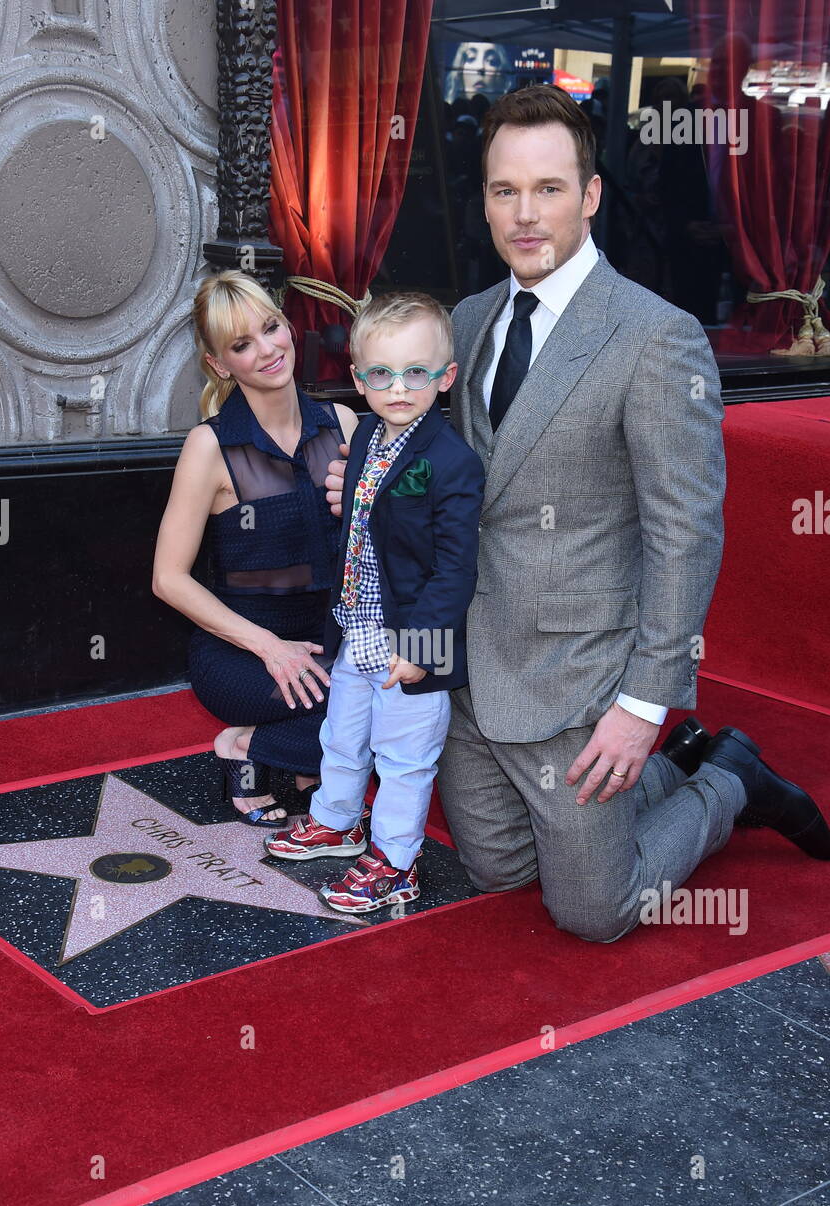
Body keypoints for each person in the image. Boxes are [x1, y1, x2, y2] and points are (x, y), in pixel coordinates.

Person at [326, 84, 830, 941]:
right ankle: (669, 776)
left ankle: (728, 779)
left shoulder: (655, 336)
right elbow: (438, 473)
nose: (524, 214)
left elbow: (684, 531)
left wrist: (643, 705)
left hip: (576, 675)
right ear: (485, 201)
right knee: (496, 870)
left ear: (590, 195)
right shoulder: (465, 323)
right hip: (466, 663)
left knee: (594, 911)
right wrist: (369, 490)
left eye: (548, 189)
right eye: (504, 190)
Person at [265, 293, 486, 912]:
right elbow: (357, 529)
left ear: (446, 377)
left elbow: (454, 569)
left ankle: (396, 861)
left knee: (404, 759)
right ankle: (336, 821)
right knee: (341, 736)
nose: (399, 388)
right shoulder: (364, 436)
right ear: (358, 379)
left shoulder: (453, 462)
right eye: (382, 374)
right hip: (355, 627)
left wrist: (422, 649)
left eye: (416, 372)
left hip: (408, 646)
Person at [153, 270, 358, 825]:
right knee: (356, 709)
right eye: (242, 345)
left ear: (288, 327)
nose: (267, 350)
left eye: (271, 328)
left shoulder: (340, 423)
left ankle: (257, 745)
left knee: (401, 694)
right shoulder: (209, 446)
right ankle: (268, 748)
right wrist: (270, 648)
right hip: (243, 654)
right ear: (220, 364)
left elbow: (365, 549)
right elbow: (167, 579)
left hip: (331, 638)